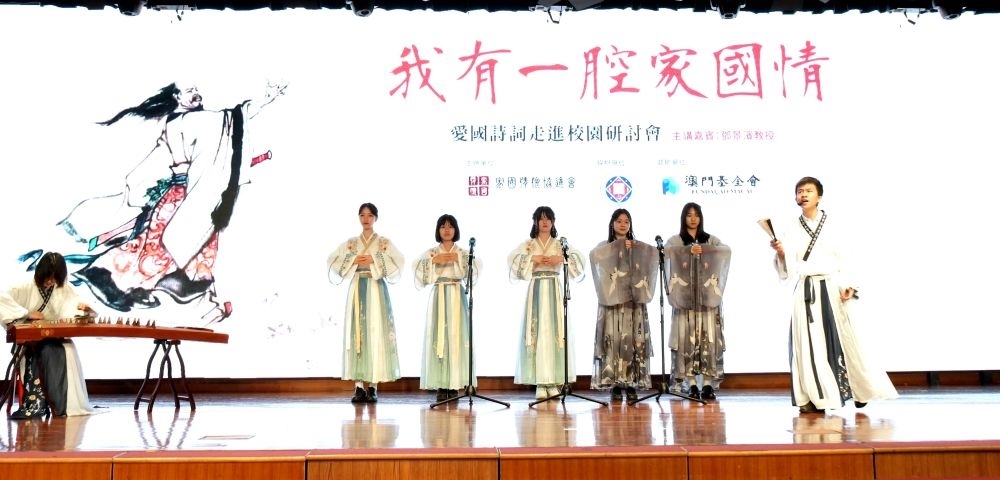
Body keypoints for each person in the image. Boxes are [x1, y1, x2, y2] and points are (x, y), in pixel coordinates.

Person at [49, 81, 284, 323]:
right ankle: (117, 283)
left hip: (193, 194)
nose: (197, 94)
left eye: (196, 90)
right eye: (190, 91)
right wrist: (262, 101)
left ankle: (193, 298)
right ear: (177, 97)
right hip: (181, 196)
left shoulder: (193, 121)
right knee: (157, 248)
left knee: (187, 247)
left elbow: (229, 129)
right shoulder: (182, 122)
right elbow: (232, 122)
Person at [769, 177, 898, 413]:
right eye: (799, 191)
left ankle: (860, 390)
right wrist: (780, 253)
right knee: (808, 345)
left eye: (808, 191)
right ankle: (812, 397)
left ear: (819, 196)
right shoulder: (790, 227)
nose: (803, 195)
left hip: (834, 287)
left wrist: (850, 284)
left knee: (848, 341)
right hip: (806, 289)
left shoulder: (834, 224)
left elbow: (847, 256)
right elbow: (787, 267)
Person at [0, 252, 97, 419]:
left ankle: (66, 405)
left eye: (55, 278)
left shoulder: (63, 288)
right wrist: (26, 313)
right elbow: (2, 300)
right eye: (48, 277)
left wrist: (85, 310)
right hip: (30, 341)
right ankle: (39, 404)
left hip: (54, 337)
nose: (51, 281)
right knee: (47, 351)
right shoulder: (23, 286)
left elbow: (74, 309)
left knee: (68, 349)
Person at [328, 203, 403, 403]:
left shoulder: (383, 243)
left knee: (375, 332)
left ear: (376, 218)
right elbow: (332, 259)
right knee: (358, 334)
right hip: (357, 287)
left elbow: (399, 261)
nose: (366, 219)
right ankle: (359, 386)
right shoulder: (351, 243)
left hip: (376, 287)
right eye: (362, 215)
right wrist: (353, 260)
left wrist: (374, 260)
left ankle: (373, 386)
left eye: (370, 215)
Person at [508, 206, 585, 400]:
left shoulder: (560, 244)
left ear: (553, 222)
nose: (544, 222)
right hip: (536, 289)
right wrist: (532, 258)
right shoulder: (529, 244)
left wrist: (561, 258)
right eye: (540, 219)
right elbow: (512, 260)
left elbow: (578, 259)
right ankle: (540, 382)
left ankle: (553, 381)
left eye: (548, 219)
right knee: (537, 332)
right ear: (535, 222)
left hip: (553, 288)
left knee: (554, 333)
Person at [588, 208, 655, 402]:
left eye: (626, 221)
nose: (623, 224)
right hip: (612, 303)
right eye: (619, 221)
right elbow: (594, 257)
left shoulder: (637, 246)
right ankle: (615, 384)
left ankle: (632, 383)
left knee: (633, 341)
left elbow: (651, 260)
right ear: (612, 224)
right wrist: (615, 248)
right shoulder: (604, 246)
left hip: (633, 302)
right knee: (614, 340)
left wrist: (634, 249)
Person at [413, 214, 481, 402]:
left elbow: (475, 270)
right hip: (440, 294)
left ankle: (455, 384)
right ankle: (441, 384)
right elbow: (418, 269)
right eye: (443, 226)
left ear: (455, 230)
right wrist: (434, 261)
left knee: (456, 336)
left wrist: (458, 259)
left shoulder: (463, 252)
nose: (447, 230)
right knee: (440, 337)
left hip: (457, 294)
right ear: (438, 230)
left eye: (450, 226)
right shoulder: (432, 253)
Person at [667, 202, 728, 400]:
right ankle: (691, 384)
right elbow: (665, 254)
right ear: (683, 218)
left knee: (708, 340)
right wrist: (686, 252)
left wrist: (706, 250)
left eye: (696, 215)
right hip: (685, 300)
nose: (693, 219)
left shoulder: (710, 239)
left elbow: (725, 251)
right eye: (689, 215)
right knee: (686, 340)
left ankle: (708, 384)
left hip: (707, 300)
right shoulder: (676, 240)